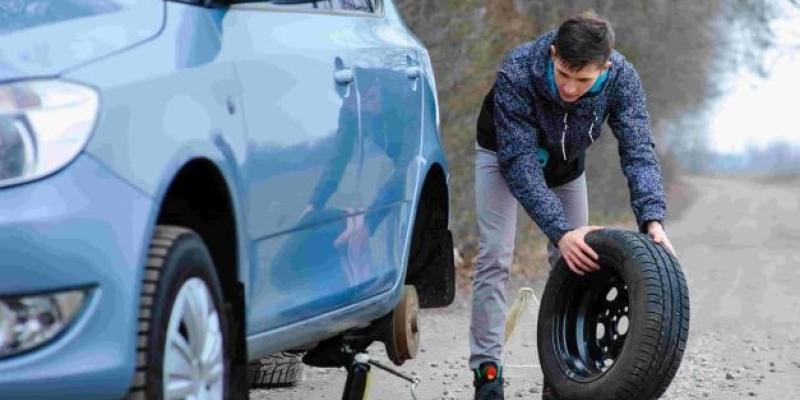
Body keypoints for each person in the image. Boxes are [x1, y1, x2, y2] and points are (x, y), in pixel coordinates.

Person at [469, 11, 676, 400]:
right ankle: (487, 373)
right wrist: (560, 230)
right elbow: (519, 164)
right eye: (563, 73)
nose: (569, 87)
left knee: (576, 263)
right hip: (502, 155)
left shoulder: (623, 79)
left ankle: (563, 377)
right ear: (552, 54)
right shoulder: (518, 69)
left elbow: (638, 150)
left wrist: (652, 218)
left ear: (605, 67)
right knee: (496, 254)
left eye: (583, 80)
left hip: (567, 163)